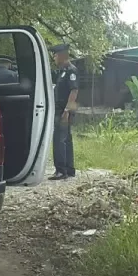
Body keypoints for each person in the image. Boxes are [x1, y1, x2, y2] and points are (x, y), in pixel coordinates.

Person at [50, 43, 79, 180]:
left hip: (64, 110)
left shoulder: (71, 71)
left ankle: (61, 170)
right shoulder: (62, 71)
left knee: (59, 139)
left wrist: (67, 111)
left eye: (55, 55)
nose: (54, 58)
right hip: (61, 109)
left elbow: (74, 91)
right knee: (65, 138)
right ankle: (69, 169)